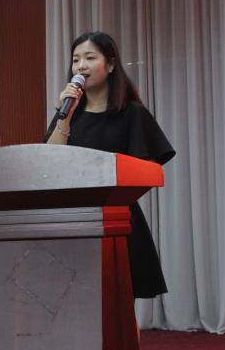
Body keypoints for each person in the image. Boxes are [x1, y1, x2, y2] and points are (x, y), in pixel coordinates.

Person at [45, 31, 175, 299]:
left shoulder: (131, 113)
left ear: (111, 64)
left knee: (117, 304)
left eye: (90, 58)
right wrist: (65, 118)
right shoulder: (68, 114)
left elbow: (147, 169)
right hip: (72, 220)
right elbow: (49, 162)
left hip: (116, 219)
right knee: (74, 301)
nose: (81, 66)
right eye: (76, 60)